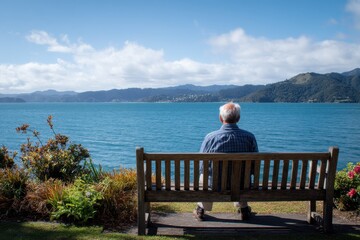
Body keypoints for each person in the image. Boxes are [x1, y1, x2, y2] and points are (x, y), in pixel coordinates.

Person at [194, 102, 258, 221]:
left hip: (215, 185)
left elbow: (202, 164)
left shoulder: (210, 138)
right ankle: (244, 208)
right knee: (243, 176)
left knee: (204, 175)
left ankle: (201, 208)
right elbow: (255, 165)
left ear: (220, 118)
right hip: (241, 184)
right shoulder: (249, 137)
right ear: (238, 118)